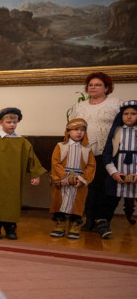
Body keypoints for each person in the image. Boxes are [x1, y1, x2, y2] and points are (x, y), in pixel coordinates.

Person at [0, 107, 46, 240]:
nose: (12, 125)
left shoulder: (22, 142)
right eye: (8, 122)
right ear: (1, 122)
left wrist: (36, 174)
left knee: (13, 203)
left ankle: (10, 227)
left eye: (14, 122)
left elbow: (31, 158)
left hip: (14, 179)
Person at [69, 72, 122, 232]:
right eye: (90, 85)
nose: (93, 87)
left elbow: (125, 124)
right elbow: (72, 126)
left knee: (105, 187)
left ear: (106, 88)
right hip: (84, 152)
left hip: (108, 153)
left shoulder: (116, 104)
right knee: (87, 187)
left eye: (98, 85)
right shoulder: (79, 106)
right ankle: (90, 219)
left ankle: (103, 220)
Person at [49, 118, 96, 239]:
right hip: (63, 181)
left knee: (77, 204)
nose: (79, 132)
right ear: (68, 131)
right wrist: (63, 178)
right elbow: (55, 162)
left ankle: (75, 225)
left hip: (78, 182)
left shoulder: (87, 149)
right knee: (60, 202)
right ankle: (60, 224)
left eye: (82, 130)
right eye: (76, 129)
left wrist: (83, 179)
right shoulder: (60, 146)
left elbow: (91, 166)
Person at [98, 100, 137, 238]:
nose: (129, 116)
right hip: (117, 173)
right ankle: (103, 224)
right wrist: (113, 172)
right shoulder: (116, 132)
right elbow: (107, 154)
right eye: (126, 114)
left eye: (133, 113)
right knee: (110, 201)